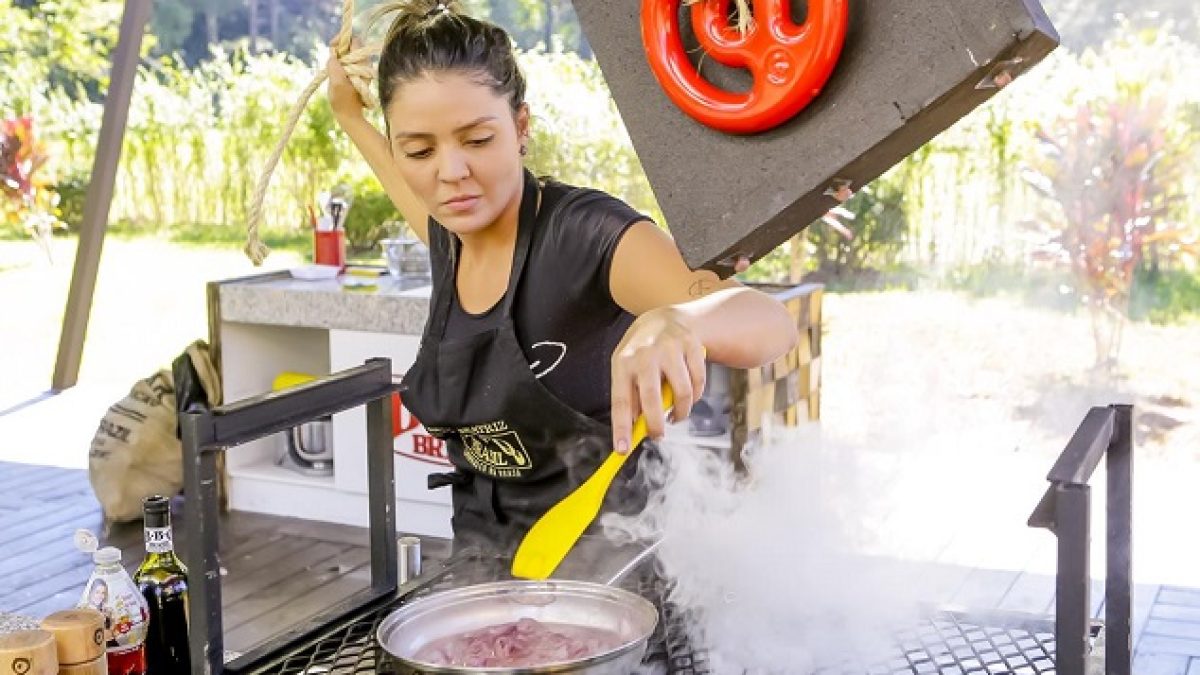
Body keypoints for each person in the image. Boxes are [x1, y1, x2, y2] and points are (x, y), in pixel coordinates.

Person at [326, 0, 799, 554]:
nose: (450, 173)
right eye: (419, 150)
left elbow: (770, 323)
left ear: (520, 126)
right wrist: (349, 116)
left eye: (477, 141)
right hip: (485, 563)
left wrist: (682, 321)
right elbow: (399, 175)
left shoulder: (584, 235)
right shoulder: (449, 232)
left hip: (616, 563)